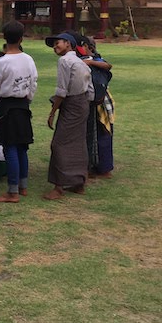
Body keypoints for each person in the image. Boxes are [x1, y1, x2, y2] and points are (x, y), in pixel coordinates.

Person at [0, 21, 38, 204]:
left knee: (10, 148)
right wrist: (26, 100)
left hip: (6, 107)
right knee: (22, 147)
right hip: (23, 106)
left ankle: (12, 192)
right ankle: (22, 187)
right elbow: (33, 84)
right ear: (21, 38)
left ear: (4, 37)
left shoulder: (0, 63)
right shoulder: (29, 59)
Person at [45, 32, 93, 200]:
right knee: (78, 143)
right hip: (83, 104)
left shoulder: (65, 61)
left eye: (57, 42)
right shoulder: (81, 62)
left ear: (68, 43)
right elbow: (91, 90)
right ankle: (79, 182)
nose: (55, 47)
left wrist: (53, 112)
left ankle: (58, 187)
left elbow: (61, 91)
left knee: (58, 144)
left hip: (72, 104)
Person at [83, 37, 115, 179]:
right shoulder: (79, 60)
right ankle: (90, 165)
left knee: (103, 133)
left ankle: (104, 167)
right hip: (88, 102)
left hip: (102, 102)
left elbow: (108, 66)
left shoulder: (97, 59)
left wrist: (90, 62)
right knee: (89, 135)